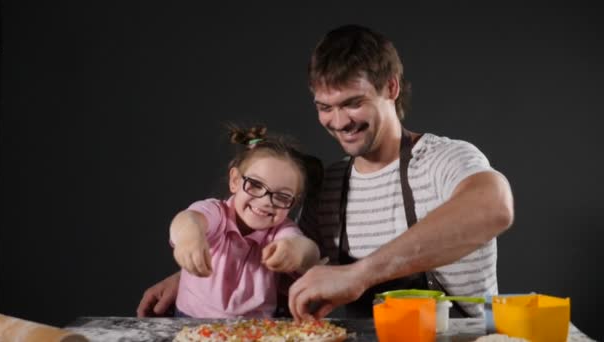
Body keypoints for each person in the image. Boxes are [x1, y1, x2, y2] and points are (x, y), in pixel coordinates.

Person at [137, 24, 514, 321]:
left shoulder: (442, 159)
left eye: (353, 104)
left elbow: (493, 207)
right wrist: (196, 275)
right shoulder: (330, 185)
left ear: (391, 88)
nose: (338, 122)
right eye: (325, 107)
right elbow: (291, 268)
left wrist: (359, 274)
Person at [166, 125, 320, 318]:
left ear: (293, 203)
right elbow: (189, 219)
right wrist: (189, 237)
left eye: (282, 196)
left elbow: (310, 251)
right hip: (191, 320)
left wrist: (296, 251)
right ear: (235, 181)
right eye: (255, 185)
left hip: (256, 327)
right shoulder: (217, 213)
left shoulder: (281, 230)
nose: (265, 202)